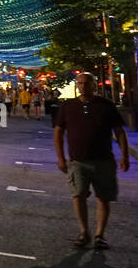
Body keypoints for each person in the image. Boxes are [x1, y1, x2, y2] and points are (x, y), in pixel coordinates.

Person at [55, 73, 130, 250]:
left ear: (94, 85)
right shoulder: (68, 106)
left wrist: (125, 155)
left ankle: (99, 235)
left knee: (103, 198)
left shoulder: (106, 106)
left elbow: (119, 132)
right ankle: (84, 232)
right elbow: (58, 132)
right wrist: (60, 158)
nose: (83, 86)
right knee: (78, 195)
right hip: (77, 161)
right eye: (80, 83)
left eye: (87, 83)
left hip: (104, 160)